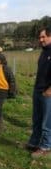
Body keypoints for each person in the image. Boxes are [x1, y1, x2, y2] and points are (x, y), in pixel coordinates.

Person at [27, 26, 51, 158]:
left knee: (47, 122)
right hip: (38, 90)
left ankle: (46, 147)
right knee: (36, 119)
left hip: (48, 93)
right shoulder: (44, 52)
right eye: (40, 37)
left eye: (43, 37)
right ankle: (34, 142)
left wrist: (49, 90)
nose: (40, 39)